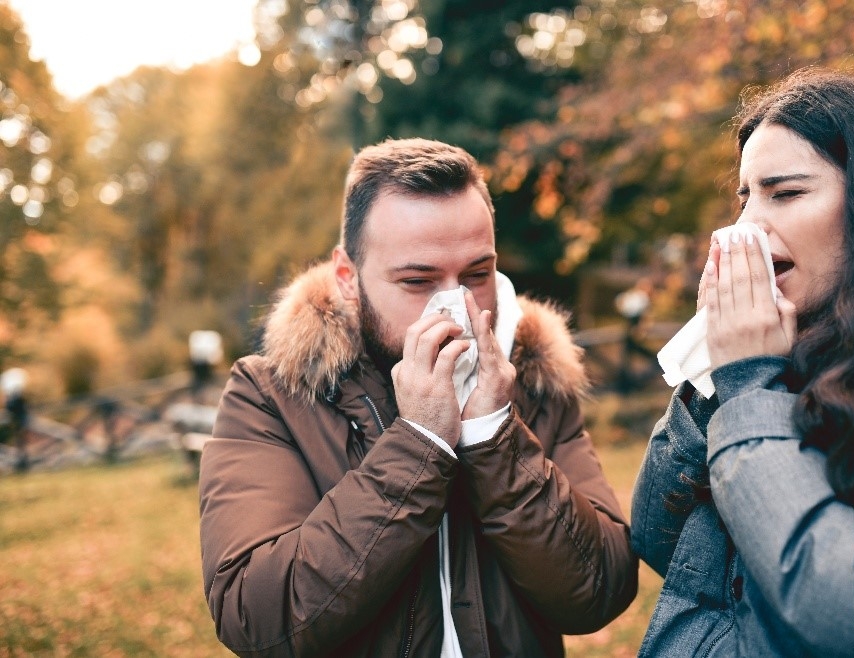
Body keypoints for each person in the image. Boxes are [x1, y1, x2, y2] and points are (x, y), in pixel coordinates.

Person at [199, 138, 638, 657]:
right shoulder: (272, 395)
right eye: (417, 280)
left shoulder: (535, 378)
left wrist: (495, 436)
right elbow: (256, 617)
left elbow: (601, 591)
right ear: (348, 278)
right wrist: (418, 443)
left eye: (477, 275)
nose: (454, 306)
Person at [631, 69, 854, 657]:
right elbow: (659, 543)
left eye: (786, 193)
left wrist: (749, 387)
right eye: (745, 197)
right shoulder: (795, 349)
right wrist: (714, 379)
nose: (745, 226)